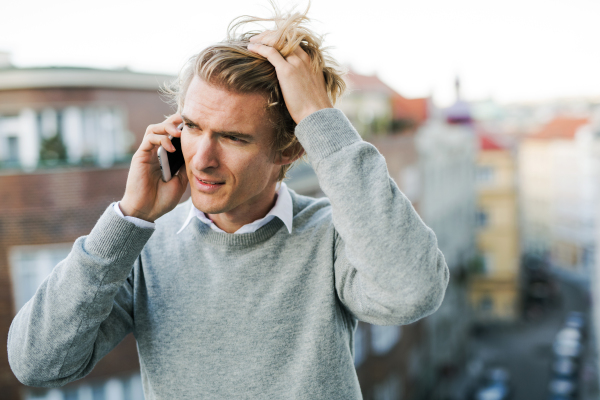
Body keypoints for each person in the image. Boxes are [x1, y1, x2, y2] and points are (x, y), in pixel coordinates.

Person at [8, 5, 449, 399]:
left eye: (234, 138)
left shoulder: (333, 237)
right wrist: (127, 219)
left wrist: (321, 120)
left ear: (289, 151)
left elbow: (412, 291)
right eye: (194, 126)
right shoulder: (141, 246)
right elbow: (38, 363)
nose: (202, 158)